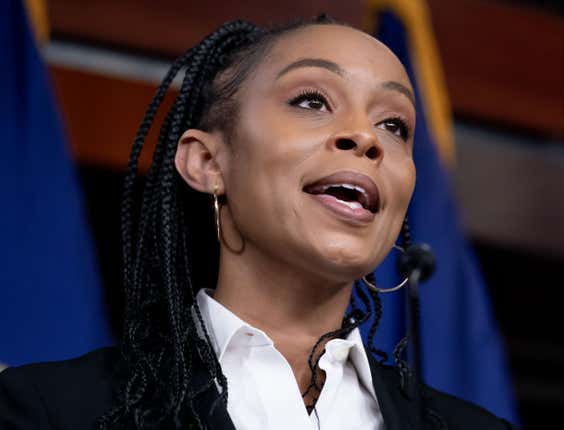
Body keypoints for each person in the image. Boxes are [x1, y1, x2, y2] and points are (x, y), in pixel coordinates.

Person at [0, 16, 515, 429]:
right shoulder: (50, 411)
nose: (367, 138)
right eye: (312, 101)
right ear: (208, 163)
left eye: (394, 124)